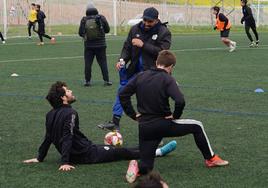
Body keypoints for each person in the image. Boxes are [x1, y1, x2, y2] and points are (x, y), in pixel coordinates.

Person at [119, 50, 229, 183]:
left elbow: (123, 94)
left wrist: (133, 115)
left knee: (147, 167)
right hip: (164, 124)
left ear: (156, 62)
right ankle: (211, 159)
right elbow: (180, 101)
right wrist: (174, 116)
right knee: (197, 125)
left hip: (145, 127)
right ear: (171, 67)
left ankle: (137, 167)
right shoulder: (168, 78)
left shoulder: (141, 76)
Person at [23, 81, 177, 172]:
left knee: (121, 149)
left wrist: (39, 157)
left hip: (83, 150)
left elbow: (48, 137)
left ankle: (152, 146)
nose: (71, 91)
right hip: (86, 155)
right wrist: (65, 162)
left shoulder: (50, 114)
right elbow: (67, 136)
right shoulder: (70, 113)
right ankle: (158, 152)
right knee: (122, 152)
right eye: (68, 90)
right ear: (64, 97)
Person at [98, 7, 171, 131]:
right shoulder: (135, 29)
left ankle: (157, 128)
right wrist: (122, 60)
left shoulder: (164, 32)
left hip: (153, 73)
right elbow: (127, 47)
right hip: (134, 70)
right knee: (122, 92)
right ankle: (115, 122)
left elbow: (162, 53)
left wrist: (143, 45)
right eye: (145, 20)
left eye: (150, 21)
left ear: (157, 20)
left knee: (152, 100)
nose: (147, 23)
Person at [78, 4, 112, 87]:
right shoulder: (101, 18)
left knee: (88, 63)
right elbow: (107, 30)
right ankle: (106, 80)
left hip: (89, 46)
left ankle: (87, 81)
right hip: (101, 45)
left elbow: (80, 33)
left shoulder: (84, 19)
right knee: (103, 63)